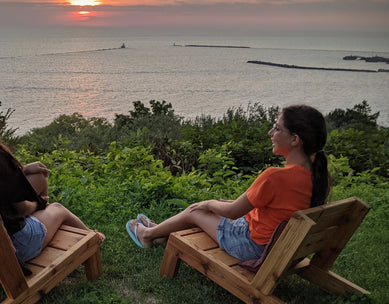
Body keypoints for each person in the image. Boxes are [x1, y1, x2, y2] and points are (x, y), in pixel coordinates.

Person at [0, 76, 105, 265]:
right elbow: (20, 209)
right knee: (58, 209)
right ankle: (93, 238)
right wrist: (38, 204)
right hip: (8, 248)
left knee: (38, 176)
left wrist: (23, 169)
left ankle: (45, 225)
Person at [126, 105, 329, 261]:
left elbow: (232, 212)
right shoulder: (317, 177)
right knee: (212, 210)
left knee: (196, 211)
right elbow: (281, 209)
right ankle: (161, 233)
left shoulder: (275, 176)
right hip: (278, 247)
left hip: (252, 247)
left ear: (295, 140)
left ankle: (148, 235)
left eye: (276, 128)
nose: (270, 133)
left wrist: (209, 203)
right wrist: (224, 207)